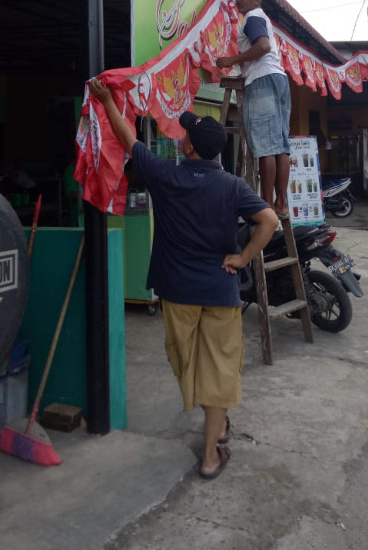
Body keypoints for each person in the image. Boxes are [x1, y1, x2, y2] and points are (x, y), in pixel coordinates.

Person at [88, 77, 279, 479]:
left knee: (189, 364)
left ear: (190, 146)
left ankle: (214, 433)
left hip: (177, 292)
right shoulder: (232, 186)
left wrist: (107, 101)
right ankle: (211, 451)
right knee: (219, 372)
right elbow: (270, 220)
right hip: (219, 291)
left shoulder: (166, 176)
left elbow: (127, 140)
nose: (179, 137)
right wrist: (242, 258)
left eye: (184, 134)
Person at [216, 0, 291, 217]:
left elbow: (263, 47)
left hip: (262, 81)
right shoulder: (261, 19)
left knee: (266, 148)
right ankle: (280, 203)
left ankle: (267, 204)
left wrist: (231, 60)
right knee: (280, 147)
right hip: (278, 80)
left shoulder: (253, 17)